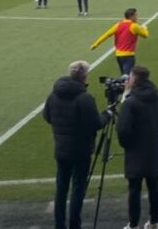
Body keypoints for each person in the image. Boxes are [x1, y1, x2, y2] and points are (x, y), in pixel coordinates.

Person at [43, 60, 113, 229]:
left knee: (61, 189)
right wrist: (108, 114)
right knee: (78, 190)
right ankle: (75, 225)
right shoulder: (85, 98)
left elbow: (47, 116)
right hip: (81, 150)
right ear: (84, 76)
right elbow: (95, 123)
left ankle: (59, 225)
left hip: (61, 148)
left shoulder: (54, 95)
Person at [117, 66, 158, 229]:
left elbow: (123, 129)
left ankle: (133, 224)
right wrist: (155, 136)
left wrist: (127, 144)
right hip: (154, 149)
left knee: (134, 189)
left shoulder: (130, 102)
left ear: (134, 79)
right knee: (154, 186)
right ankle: (155, 221)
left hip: (135, 151)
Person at [91, 8, 150, 76]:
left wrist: (96, 44)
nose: (137, 17)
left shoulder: (118, 25)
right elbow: (145, 35)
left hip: (118, 55)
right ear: (131, 16)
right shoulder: (134, 26)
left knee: (124, 75)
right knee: (127, 77)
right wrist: (145, 28)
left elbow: (106, 35)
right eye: (136, 15)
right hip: (128, 55)